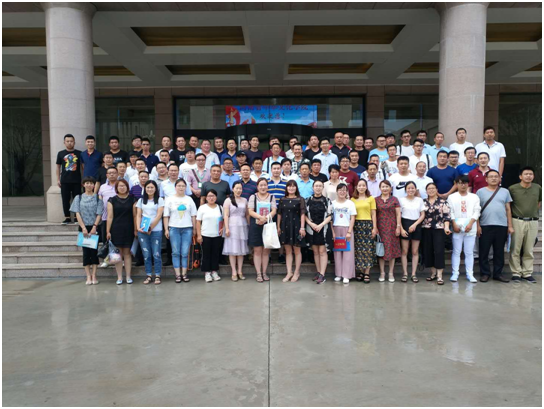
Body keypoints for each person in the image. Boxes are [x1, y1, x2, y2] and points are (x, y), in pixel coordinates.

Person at [476, 170, 514, 283]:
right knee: (484, 251)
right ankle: (485, 273)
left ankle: (498, 274)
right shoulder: (480, 192)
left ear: (499, 179)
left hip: (501, 225)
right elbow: (476, 210)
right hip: (485, 225)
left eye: (496, 176)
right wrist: (477, 225)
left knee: (499, 251)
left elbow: (508, 209)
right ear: (486, 179)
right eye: (491, 177)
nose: (493, 178)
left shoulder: (505, 192)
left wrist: (510, 226)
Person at [509, 166, 541, 283]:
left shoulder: (537, 187)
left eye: (530, 174)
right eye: (526, 174)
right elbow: (509, 205)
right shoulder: (512, 188)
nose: (528, 176)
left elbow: (539, 202)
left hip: (533, 221)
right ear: (520, 176)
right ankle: (516, 273)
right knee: (515, 248)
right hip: (517, 220)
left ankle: (527, 273)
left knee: (529, 248)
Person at [70, 176, 103, 285]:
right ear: (83, 185)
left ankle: (94, 275)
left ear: (94, 185)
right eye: (87, 183)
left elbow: (99, 214)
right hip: (83, 227)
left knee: (94, 252)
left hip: (94, 227)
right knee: (86, 252)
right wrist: (83, 228)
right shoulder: (78, 197)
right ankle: (88, 276)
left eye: (91, 183)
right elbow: (77, 213)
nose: (89, 185)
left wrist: (94, 226)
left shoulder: (98, 198)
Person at [448, 176, 481, 283]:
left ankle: (470, 274)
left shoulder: (474, 197)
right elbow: (450, 211)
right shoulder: (452, 197)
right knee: (456, 251)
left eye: (465, 183)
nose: (463, 185)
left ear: (468, 184)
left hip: (470, 227)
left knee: (469, 252)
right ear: (456, 184)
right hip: (457, 227)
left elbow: (477, 211)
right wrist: (453, 224)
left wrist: (471, 223)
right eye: (460, 183)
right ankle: (455, 273)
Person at [163, 179, 196, 283]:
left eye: (183, 186)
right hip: (174, 228)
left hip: (187, 228)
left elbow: (193, 215)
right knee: (175, 252)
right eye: (179, 186)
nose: (181, 188)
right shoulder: (169, 199)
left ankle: (184, 274)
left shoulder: (189, 199)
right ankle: (177, 274)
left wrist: (194, 228)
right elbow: (166, 215)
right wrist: (166, 229)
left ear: (185, 187)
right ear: (175, 187)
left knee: (185, 252)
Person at [106, 180, 135, 285]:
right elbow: (110, 216)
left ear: (127, 187)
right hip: (116, 229)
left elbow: (135, 216)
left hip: (129, 228)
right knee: (117, 254)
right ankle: (119, 277)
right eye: (120, 186)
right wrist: (108, 231)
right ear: (116, 188)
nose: (122, 188)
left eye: (124, 186)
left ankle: (128, 276)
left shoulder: (133, 199)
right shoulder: (111, 200)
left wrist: (135, 229)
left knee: (127, 253)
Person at [277, 180, 307, 283]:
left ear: (296, 188)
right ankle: (289, 272)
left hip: (296, 226)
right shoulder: (282, 199)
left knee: (297, 250)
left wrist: (302, 227)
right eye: (289, 186)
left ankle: (297, 272)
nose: (291, 188)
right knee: (288, 251)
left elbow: (303, 214)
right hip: (285, 226)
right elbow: (279, 214)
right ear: (286, 188)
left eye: (293, 186)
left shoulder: (300, 199)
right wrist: (278, 227)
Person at [248, 178, 277, 282]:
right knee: (257, 251)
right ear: (257, 186)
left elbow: (274, 210)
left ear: (267, 186)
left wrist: (266, 218)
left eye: (265, 185)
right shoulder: (253, 197)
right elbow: (250, 211)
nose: (263, 187)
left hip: (267, 225)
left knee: (266, 250)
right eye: (261, 185)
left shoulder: (271, 197)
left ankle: (264, 272)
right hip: (256, 226)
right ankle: (258, 273)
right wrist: (260, 217)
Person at [422, 183, 451, 285]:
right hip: (426, 229)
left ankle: (439, 275)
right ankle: (433, 273)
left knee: (439, 251)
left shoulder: (443, 202)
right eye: (429, 188)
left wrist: (446, 227)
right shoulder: (423, 202)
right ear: (426, 191)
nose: (431, 190)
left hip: (439, 229)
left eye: (433, 188)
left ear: (436, 189)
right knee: (428, 251)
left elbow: (447, 217)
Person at [136, 181, 165, 285]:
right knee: (146, 254)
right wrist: (138, 227)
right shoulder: (140, 200)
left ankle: (157, 275)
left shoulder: (160, 200)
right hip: (143, 230)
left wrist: (150, 228)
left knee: (156, 254)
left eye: (152, 187)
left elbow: (159, 215)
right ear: (145, 189)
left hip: (156, 230)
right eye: (148, 187)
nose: (150, 189)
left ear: (155, 189)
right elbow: (138, 215)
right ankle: (148, 275)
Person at [305, 180, 333, 284]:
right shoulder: (308, 200)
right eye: (316, 186)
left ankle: (322, 274)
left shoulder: (327, 200)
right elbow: (304, 215)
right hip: (311, 229)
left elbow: (330, 215)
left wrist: (321, 225)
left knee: (322, 251)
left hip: (323, 228)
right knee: (315, 251)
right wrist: (311, 224)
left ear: (322, 188)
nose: (318, 188)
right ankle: (318, 272)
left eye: (320, 186)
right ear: (313, 187)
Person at [351, 179, 378, 283]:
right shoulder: (353, 199)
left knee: (368, 249)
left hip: (367, 225)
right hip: (356, 225)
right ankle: (361, 271)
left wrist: (374, 227)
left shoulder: (371, 198)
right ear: (356, 187)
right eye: (359, 185)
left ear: (366, 187)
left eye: (363, 185)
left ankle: (367, 272)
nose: (361, 187)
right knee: (358, 250)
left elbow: (373, 214)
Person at [222, 181, 249, 281]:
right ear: (233, 189)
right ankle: (234, 272)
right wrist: (226, 228)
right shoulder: (228, 200)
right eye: (237, 188)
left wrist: (249, 225)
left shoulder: (245, 200)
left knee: (241, 250)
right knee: (232, 250)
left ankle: (240, 271)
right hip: (232, 225)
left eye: (240, 188)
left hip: (242, 225)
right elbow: (226, 215)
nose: (238, 190)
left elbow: (247, 214)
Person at [375, 180, 402, 283]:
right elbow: (374, 214)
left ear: (390, 188)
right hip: (380, 228)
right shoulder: (376, 200)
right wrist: (375, 227)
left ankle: (391, 272)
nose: (385, 188)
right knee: (381, 250)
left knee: (392, 250)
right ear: (380, 188)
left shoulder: (395, 199)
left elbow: (398, 214)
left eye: (387, 186)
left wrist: (398, 227)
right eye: (383, 186)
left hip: (392, 228)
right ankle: (382, 272)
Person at [399, 182, 425, 283]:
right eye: (409, 188)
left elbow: (422, 214)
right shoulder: (401, 200)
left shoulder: (419, 200)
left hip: (416, 224)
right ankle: (405, 273)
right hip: (404, 224)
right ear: (405, 189)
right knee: (404, 251)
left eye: (412, 188)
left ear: (415, 189)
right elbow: (398, 215)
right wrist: (401, 229)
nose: (411, 190)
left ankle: (413, 274)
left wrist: (415, 225)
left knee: (415, 251)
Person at [331, 184, 357, 284]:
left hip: (347, 228)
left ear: (347, 192)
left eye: (344, 190)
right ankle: (339, 274)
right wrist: (333, 231)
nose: (342, 192)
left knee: (347, 253)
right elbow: (330, 219)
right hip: (336, 228)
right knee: (337, 252)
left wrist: (349, 231)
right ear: (337, 192)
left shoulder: (350, 203)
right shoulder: (332, 203)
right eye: (340, 190)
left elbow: (352, 218)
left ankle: (346, 275)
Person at [196, 190, 224, 283]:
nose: (211, 198)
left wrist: (222, 228)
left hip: (217, 235)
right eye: (209, 196)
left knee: (215, 254)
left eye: (213, 196)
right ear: (206, 198)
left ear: (216, 197)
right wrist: (199, 235)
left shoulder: (220, 207)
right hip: (205, 235)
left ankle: (214, 271)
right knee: (206, 254)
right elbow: (198, 222)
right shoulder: (202, 208)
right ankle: (207, 272)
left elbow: (223, 219)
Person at [56, 134, 82, 224]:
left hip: (77, 180)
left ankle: (76, 217)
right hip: (64, 181)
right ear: (64, 142)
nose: (69, 143)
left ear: (74, 142)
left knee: (77, 200)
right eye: (67, 141)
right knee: (65, 199)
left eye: (71, 141)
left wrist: (83, 179)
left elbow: (83, 167)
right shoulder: (60, 153)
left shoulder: (79, 153)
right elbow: (58, 167)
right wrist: (58, 179)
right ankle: (67, 217)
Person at [98, 166, 118, 246]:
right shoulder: (102, 187)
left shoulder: (121, 185)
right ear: (106, 175)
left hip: (118, 218)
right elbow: (100, 202)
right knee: (106, 241)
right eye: (110, 173)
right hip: (105, 217)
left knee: (117, 242)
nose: (112, 175)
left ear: (117, 174)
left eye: (114, 173)